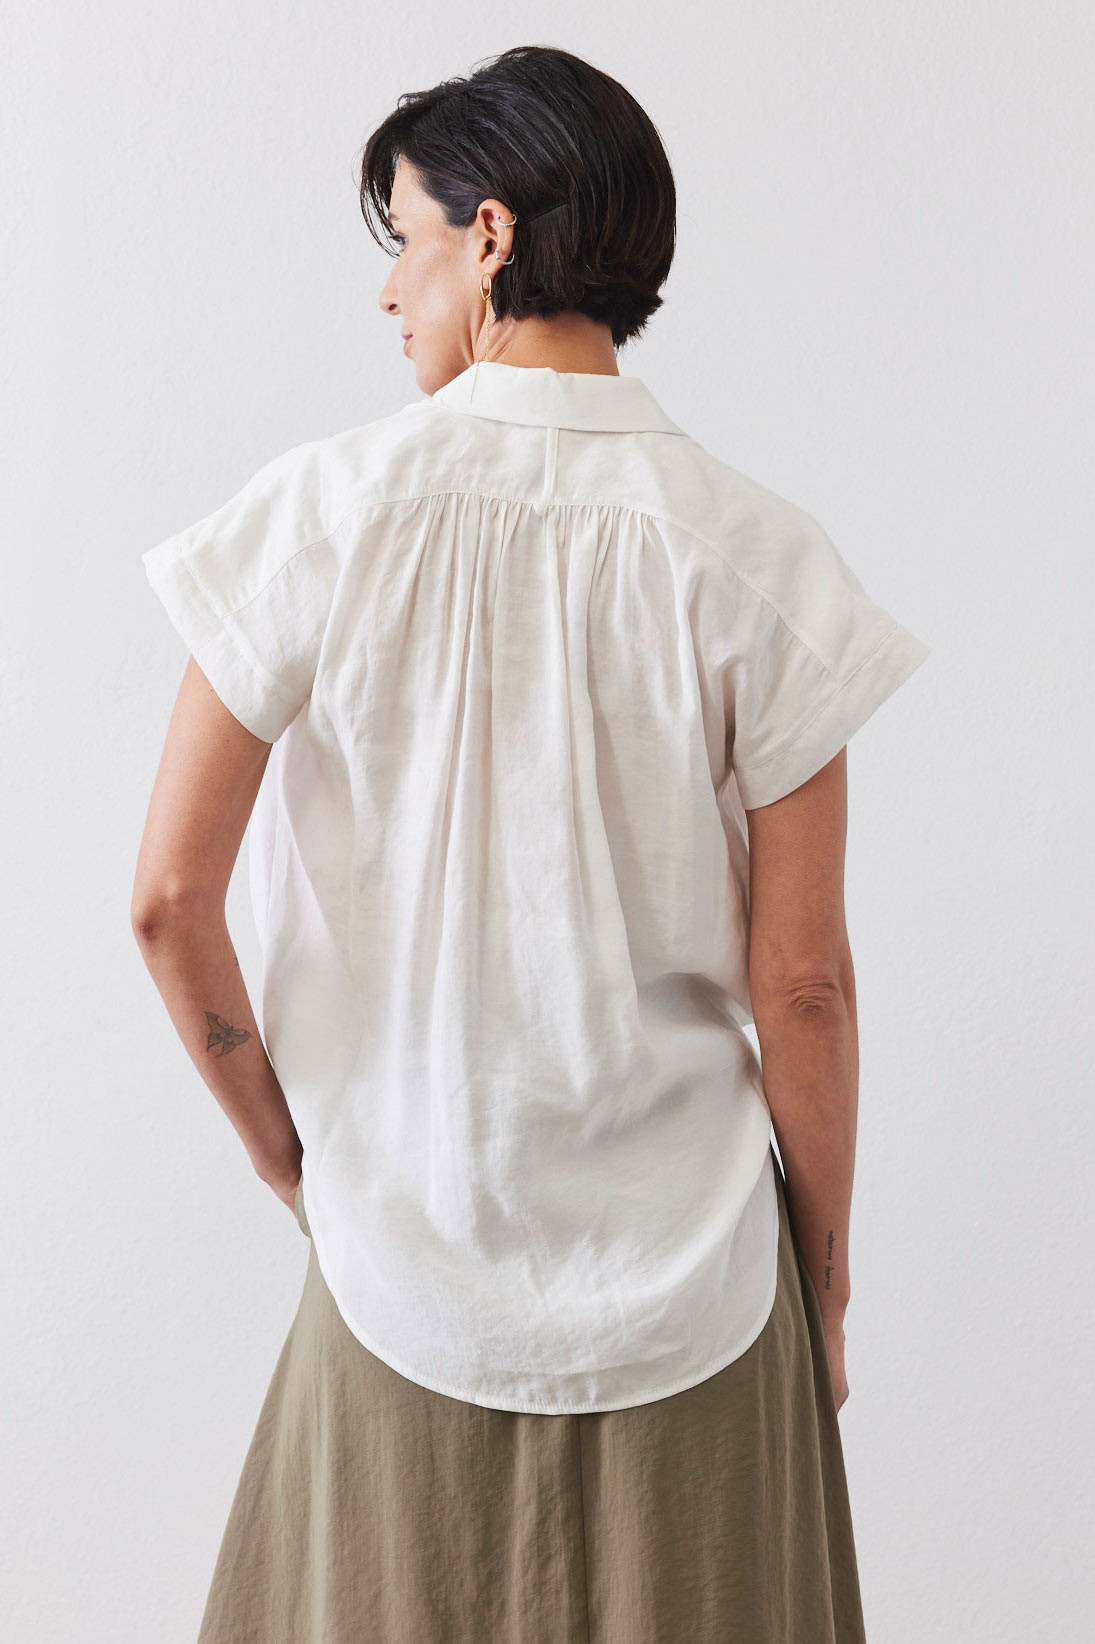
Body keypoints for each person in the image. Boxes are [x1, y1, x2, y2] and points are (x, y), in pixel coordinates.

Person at [132, 43, 930, 1644]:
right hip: (701, 1302)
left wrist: (290, 1160)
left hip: (400, 1275)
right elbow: (806, 986)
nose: (389, 291)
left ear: (489, 236)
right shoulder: (759, 561)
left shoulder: (322, 515)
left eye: (405, 238)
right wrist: (825, 1283)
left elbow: (167, 899)